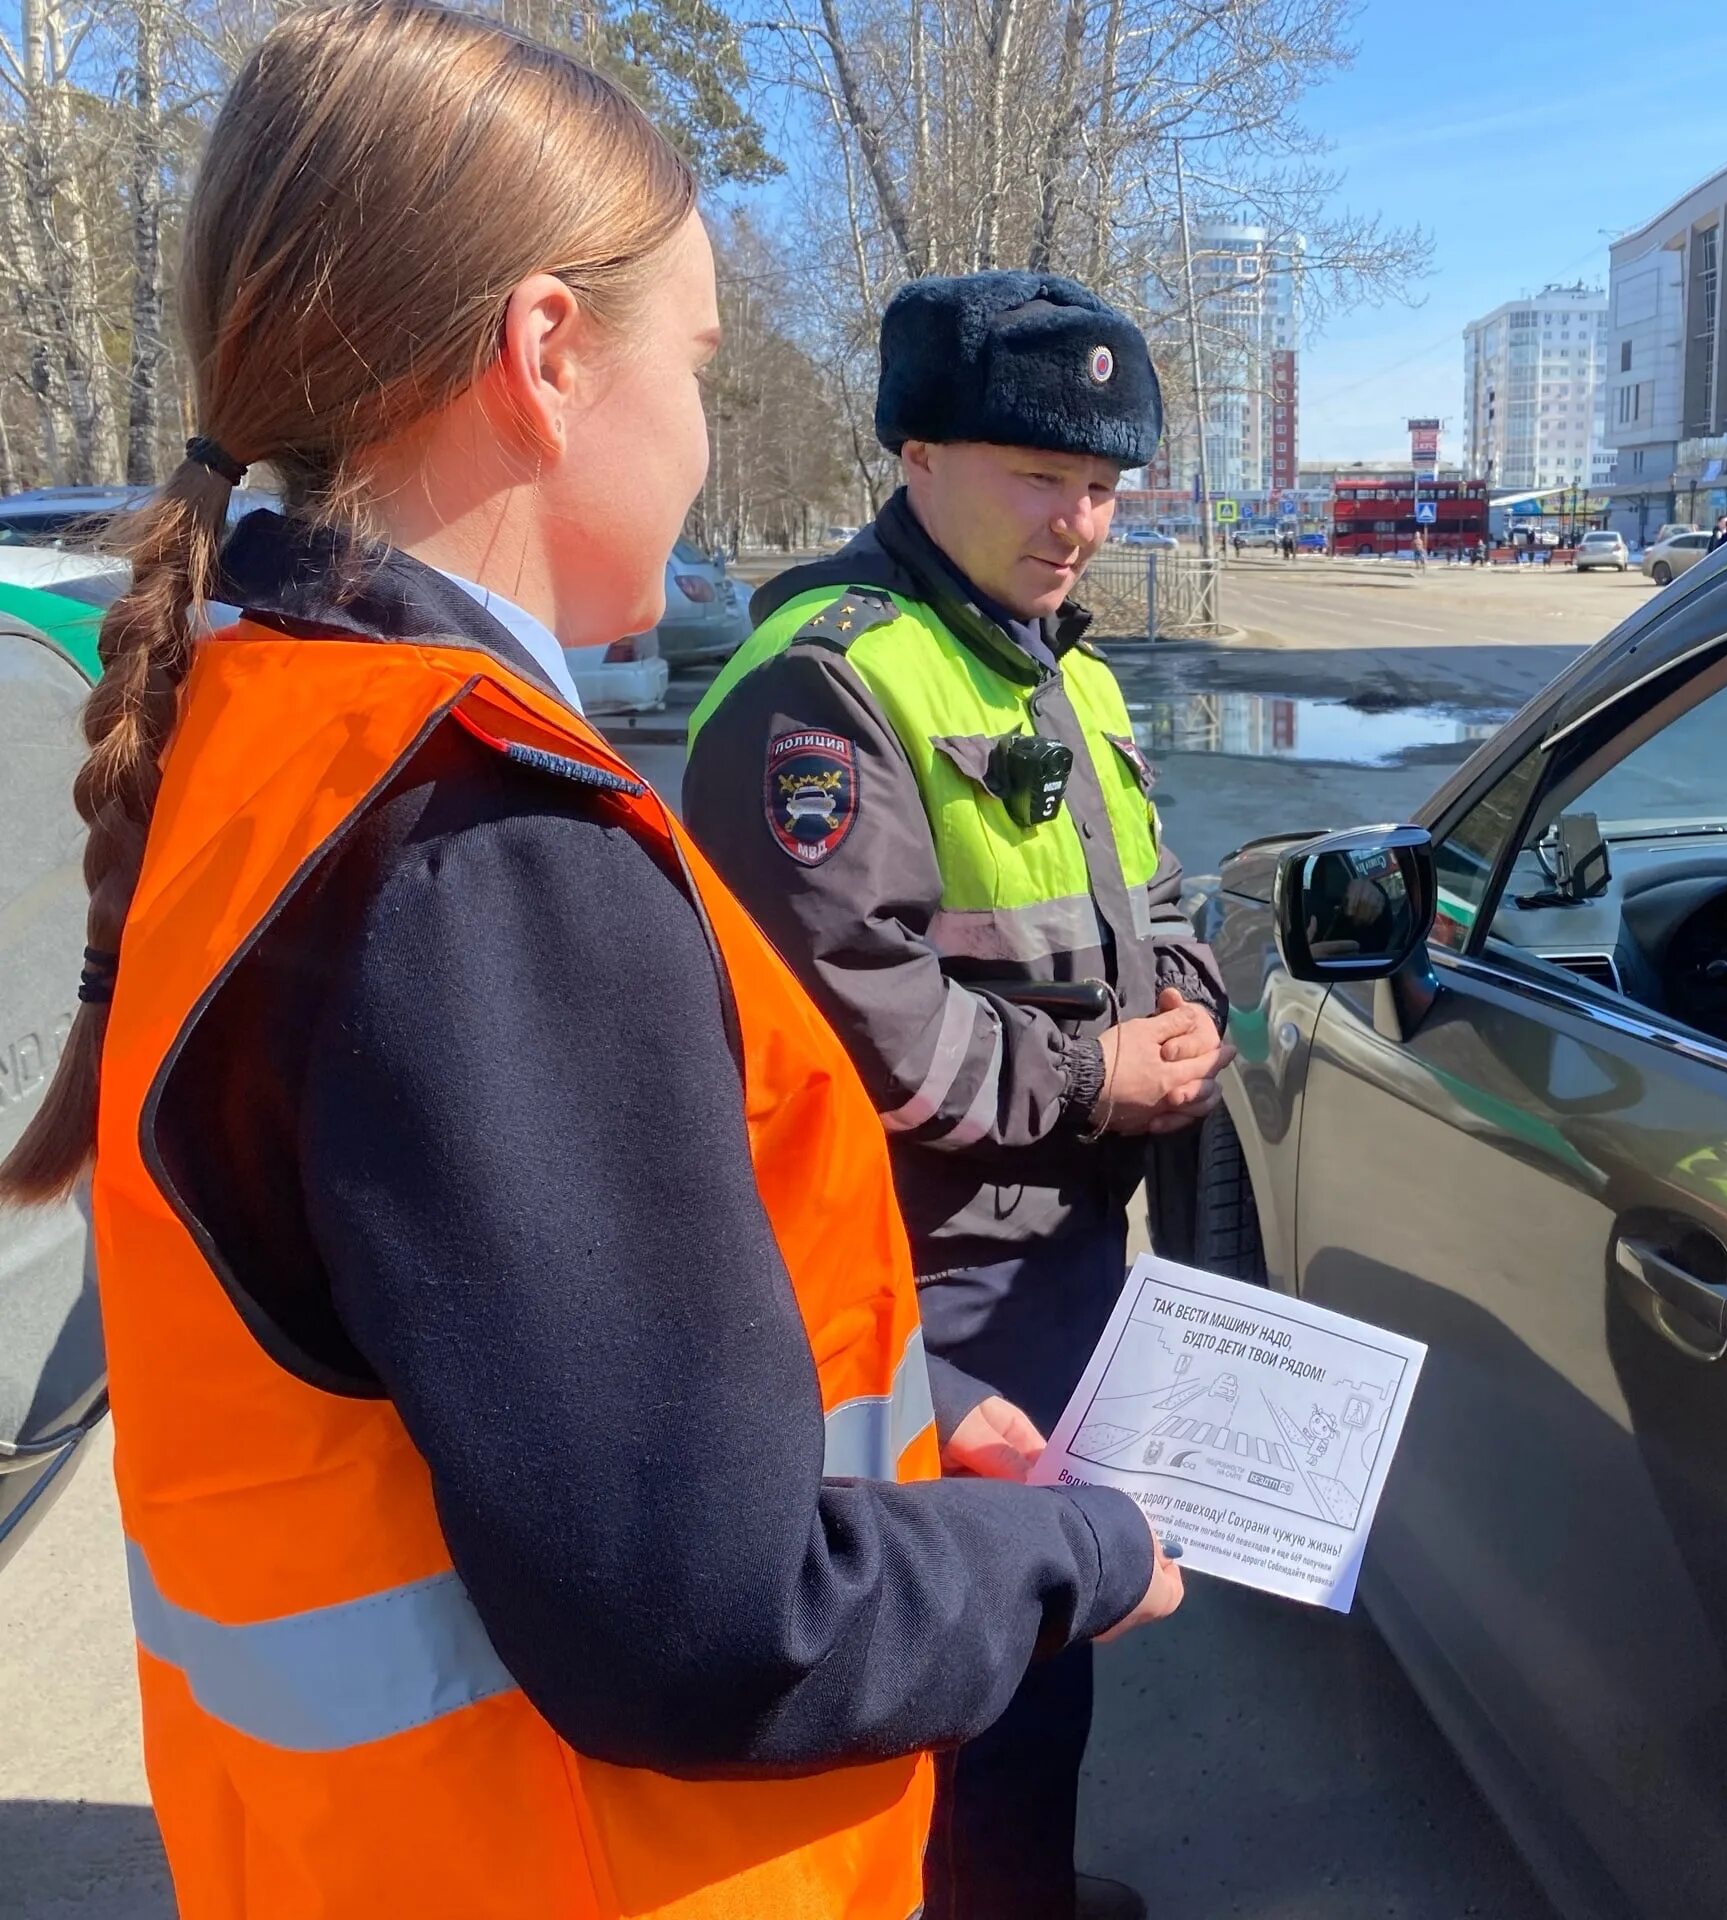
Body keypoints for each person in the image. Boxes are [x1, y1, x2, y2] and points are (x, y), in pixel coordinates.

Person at [0, 11, 1179, 1915]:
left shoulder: (280, 724)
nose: (713, 438)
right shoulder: (487, 839)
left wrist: (878, 1425)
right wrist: (1076, 1559)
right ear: (549, 357)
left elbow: (517, 1370)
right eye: (701, 364)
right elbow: (714, 1624)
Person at [682, 272, 1229, 1920]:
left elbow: (1159, 906)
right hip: (925, 1285)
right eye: (1041, 475)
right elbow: (853, 1030)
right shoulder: (833, 682)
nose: (1083, 519)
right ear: (916, 455)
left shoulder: (1064, 670)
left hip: (1054, 1260)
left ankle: (1024, 1897)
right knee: (949, 1678)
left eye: (1106, 486)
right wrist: (1097, 1073)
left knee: (1035, 1647)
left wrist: (1187, 1014)